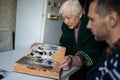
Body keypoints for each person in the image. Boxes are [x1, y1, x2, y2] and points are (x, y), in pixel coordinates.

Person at [59, 0, 107, 80]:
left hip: (93, 67)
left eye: (69, 18)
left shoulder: (89, 24)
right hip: (75, 68)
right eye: (63, 18)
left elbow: (91, 51)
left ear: (80, 14)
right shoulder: (65, 26)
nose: (66, 22)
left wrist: (73, 59)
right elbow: (65, 44)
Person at [86, 0, 120, 79]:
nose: (88, 25)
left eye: (92, 19)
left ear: (112, 19)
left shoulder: (117, 65)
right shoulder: (110, 50)